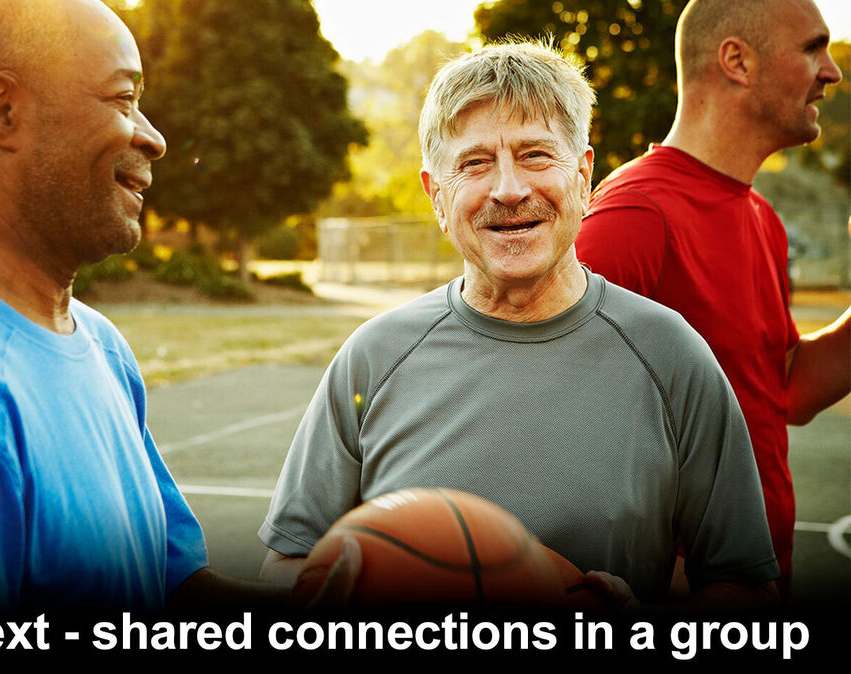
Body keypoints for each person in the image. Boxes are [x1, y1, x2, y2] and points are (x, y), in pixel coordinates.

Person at [0, 0, 355, 616]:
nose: (155, 138)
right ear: (2, 110)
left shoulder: (100, 346)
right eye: (121, 98)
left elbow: (171, 594)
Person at [258, 42, 780, 611]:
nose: (508, 189)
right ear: (437, 195)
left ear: (583, 177)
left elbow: (747, 585)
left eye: (535, 155)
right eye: (475, 163)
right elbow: (287, 564)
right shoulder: (374, 358)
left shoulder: (671, 355)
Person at [575, 0, 850, 595]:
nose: (831, 71)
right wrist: (648, 565)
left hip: (762, 577)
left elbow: (786, 391)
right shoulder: (636, 214)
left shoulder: (763, 219)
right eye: (813, 47)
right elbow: (543, 403)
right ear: (737, 61)